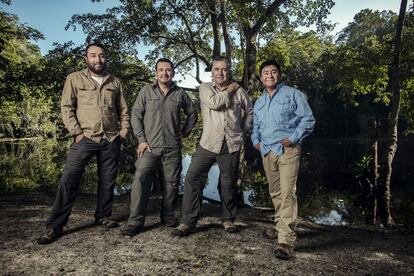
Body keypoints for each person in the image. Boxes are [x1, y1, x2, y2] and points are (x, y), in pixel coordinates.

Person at [37, 42, 130, 244]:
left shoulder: (115, 82)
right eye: (93, 55)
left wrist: (123, 131)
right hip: (85, 138)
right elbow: (66, 107)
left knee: (107, 181)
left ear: (106, 58)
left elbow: (123, 110)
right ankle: (55, 226)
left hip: (111, 138)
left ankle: (103, 216)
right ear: (86, 58)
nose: (98, 59)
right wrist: (77, 133)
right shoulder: (74, 78)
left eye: (102, 55)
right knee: (69, 180)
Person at [173, 56, 253, 237]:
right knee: (192, 178)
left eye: (224, 69)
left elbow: (250, 111)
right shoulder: (205, 88)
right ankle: (188, 222)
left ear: (229, 70)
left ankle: (228, 219)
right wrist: (232, 88)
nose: (220, 73)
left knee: (228, 182)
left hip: (231, 144)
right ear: (212, 72)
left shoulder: (241, 92)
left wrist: (244, 129)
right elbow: (215, 104)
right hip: (208, 143)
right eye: (217, 69)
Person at [121, 58, 197, 236]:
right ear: (156, 73)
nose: (165, 73)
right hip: (149, 147)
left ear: (173, 73)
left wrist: (185, 131)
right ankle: (135, 221)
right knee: (141, 178)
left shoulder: (180, 94)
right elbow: (135, 115)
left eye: (168, 70)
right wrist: (141, 139)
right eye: (161, 70)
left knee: (171, 184)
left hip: (172, 147)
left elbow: (192, 113)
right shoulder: (146, 92)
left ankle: (168, 215)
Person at [251, 59, 315, 260]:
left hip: (288, 150)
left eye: (273, 72)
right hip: (267, 151)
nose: (269, 76)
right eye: (265, 73)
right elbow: (256, 127)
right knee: (275, 192)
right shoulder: (259, 102)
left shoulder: (293, 94)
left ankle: (286, 241)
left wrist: (293, 139)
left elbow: (308, 119)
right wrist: (256, 142)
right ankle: (280, 227)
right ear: (261, 78)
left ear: (279, 75)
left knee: (288, 192)